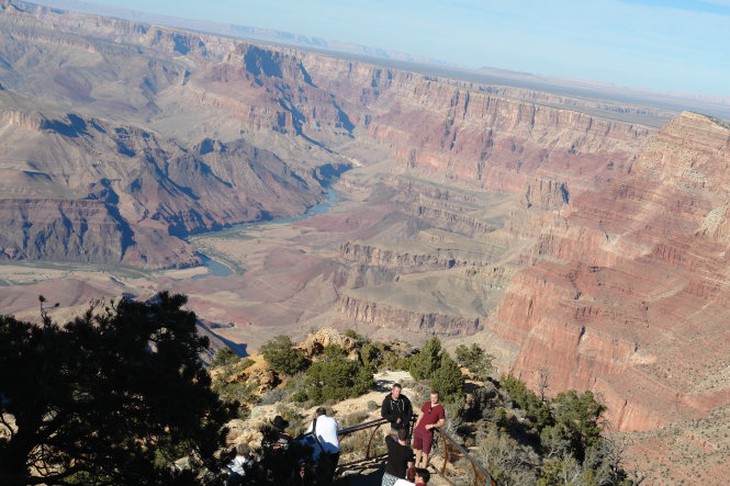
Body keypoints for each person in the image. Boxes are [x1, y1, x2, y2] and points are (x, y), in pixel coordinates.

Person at [304, 407, 340, 484]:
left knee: (321, 475)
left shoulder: (314, 423)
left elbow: (308, 436)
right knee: (330, 474)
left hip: (323, 453)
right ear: (325, 413)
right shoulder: (333, 420)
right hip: (335, 451)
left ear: (316, 414)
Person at [412, 391, 445, 468]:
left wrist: (432, 425)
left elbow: (442, 422)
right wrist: (416, 427)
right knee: (418, 449)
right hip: (418, 431)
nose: (433, 399)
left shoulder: (440, 409)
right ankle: (416, 465)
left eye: (435, 397)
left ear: (438, 398)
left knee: (425, 452)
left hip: (427, 434)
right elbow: (420, 416)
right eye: (431, 397)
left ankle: (423, 470)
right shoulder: (426, 404)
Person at [260, 415, 294, 483]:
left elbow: (263, 446)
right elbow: (292, 450)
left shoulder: (267, 438)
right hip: (284, 468)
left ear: (274, 425)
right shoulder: (288, 437)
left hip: (270, 468)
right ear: (283, 427)